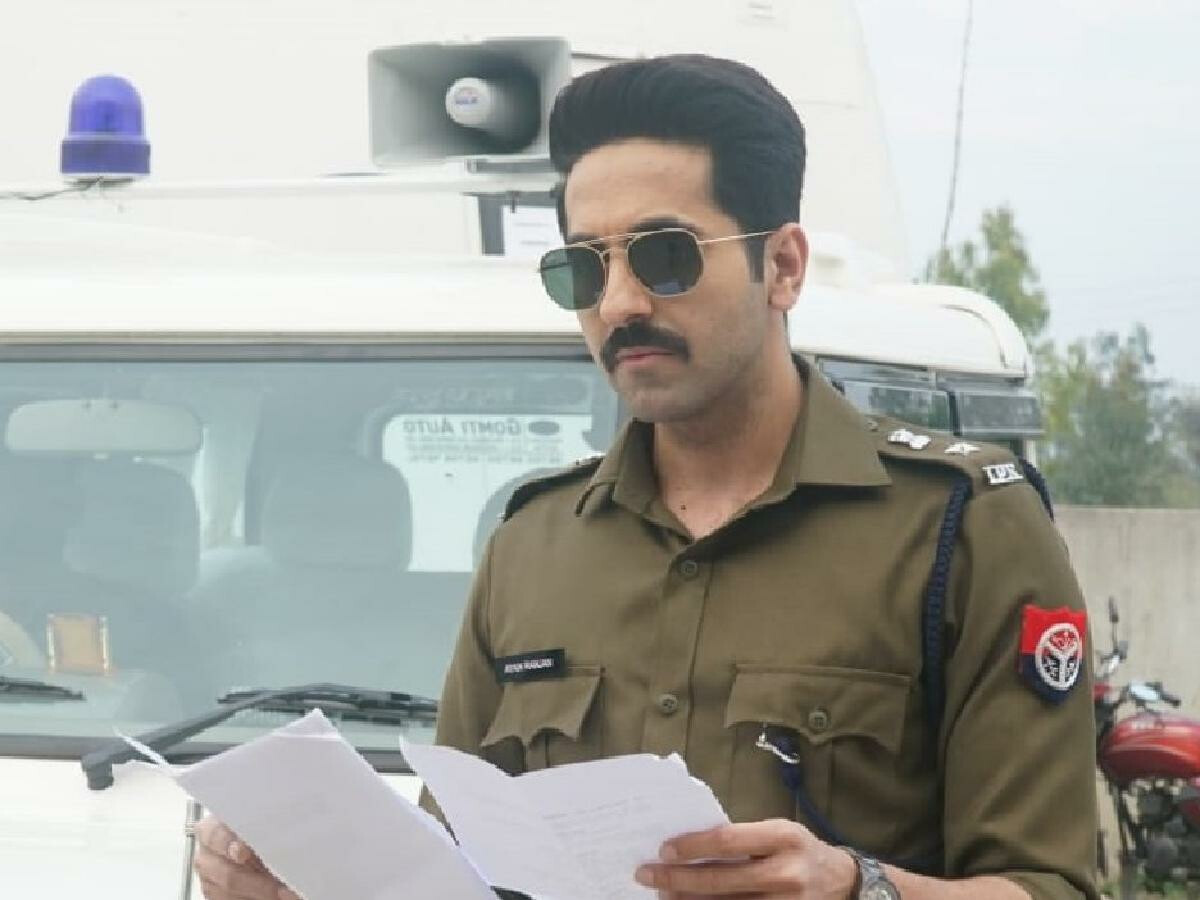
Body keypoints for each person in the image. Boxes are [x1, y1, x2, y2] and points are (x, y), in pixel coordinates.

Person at [194, 54, 1098, 900]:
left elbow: (1049, 885)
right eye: (584, 268)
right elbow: (451, 876)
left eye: (667, 255)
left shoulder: (959, 529)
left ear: (783, 267)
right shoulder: (532, 544)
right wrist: (307, 880)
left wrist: (857, 886)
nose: (620, 302)